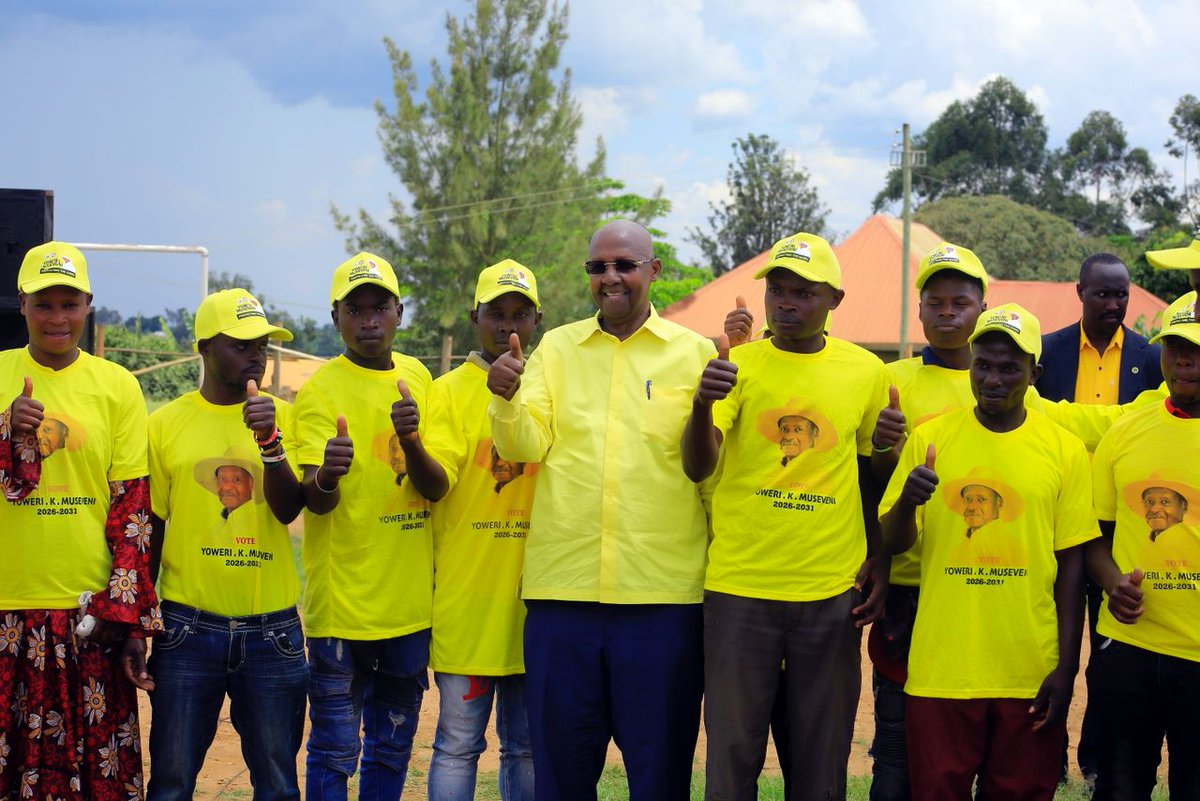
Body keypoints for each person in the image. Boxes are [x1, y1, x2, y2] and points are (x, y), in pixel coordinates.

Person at [486, 221, 714, 801]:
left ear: (653, 271)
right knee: (561, 778)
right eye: (598, 267)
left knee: (659, 775)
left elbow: (710, 476)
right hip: (564, 599)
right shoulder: (557, 349)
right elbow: (523, 446)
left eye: (624, 265)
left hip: (662, 603)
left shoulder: (694, 355)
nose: (610, 277)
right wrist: (506, 401)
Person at [682, 231, 888, 801]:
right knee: (731, 760)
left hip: (829, 594)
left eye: (804, 292)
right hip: (739, 590)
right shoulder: (735, 366)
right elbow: (699, 466)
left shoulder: (867, 372)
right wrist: (702, 403)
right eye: (778, 290)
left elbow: (870, 477)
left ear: (834, 302)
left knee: (820, 768)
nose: (787, 303)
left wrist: (880, 560)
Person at [880, 303, 1098, 801]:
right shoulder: (931, 439)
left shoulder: (1063, 450)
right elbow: (894, 545)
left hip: (1028, 670)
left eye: (1009, 367)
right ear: (971, 362)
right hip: (942, 670)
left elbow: (1071, 568)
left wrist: (1063, 670)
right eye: (983, 364)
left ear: (1034, 373)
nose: (992, 378)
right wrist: (908, 501)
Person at [0, 241, 160, 800]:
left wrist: (128, 617)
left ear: (89, 304)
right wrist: (4, 428)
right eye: (44, 304)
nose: (58, 318)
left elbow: (132, 510)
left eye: (70, 303)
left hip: (89, 616)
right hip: (7, 609)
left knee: (96, 781)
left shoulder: (117, 387)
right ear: (21, 304)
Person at [145, 288, 306, 801]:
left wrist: (271, 444)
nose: (256, 355)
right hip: (186, 629)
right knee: (171, 783)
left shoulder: (285, 415)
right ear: (204, 348)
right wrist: (138, 622)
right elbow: (151, 531)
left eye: (262, 344)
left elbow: (288, 509)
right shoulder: (165, 425)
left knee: (278, 785)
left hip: (272, 631)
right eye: (240, 344)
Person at [295, 252, 435, 801]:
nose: (370, 320)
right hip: (342, 610)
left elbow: (434, 483)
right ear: (336, 317)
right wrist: (328, 475)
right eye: (356, 309)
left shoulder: (420, 377)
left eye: (381, 307)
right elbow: (314, 503)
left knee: (392, 746)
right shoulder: (318, 392)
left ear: (400, 312)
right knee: (333, 748)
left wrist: (415, 440)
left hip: (408, 608)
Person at [405, 259, 542, 801]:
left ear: (537, 319)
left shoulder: (549, 383)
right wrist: (413, 443)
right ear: (474, 317)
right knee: (457, 744)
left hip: (537, 604)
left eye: (520, 314)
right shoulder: (446, 393)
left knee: (526, 746)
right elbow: (435, 485)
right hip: (467, 602)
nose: (507, 325)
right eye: (496, 313)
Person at [1086, 289, 1200, 800]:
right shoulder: (1126, 430)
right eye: (1176, 347)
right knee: (1120, 788)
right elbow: (1093, 535)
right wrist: (1112, 584)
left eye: (1198, 350)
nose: (1185, 361)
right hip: (1129, 647)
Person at [1036, 253, 1162, 405]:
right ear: (1080, 292)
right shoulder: (1045, 351)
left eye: (1121, 295)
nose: (1113, 305)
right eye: (1103, 295)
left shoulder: (1153, 357)